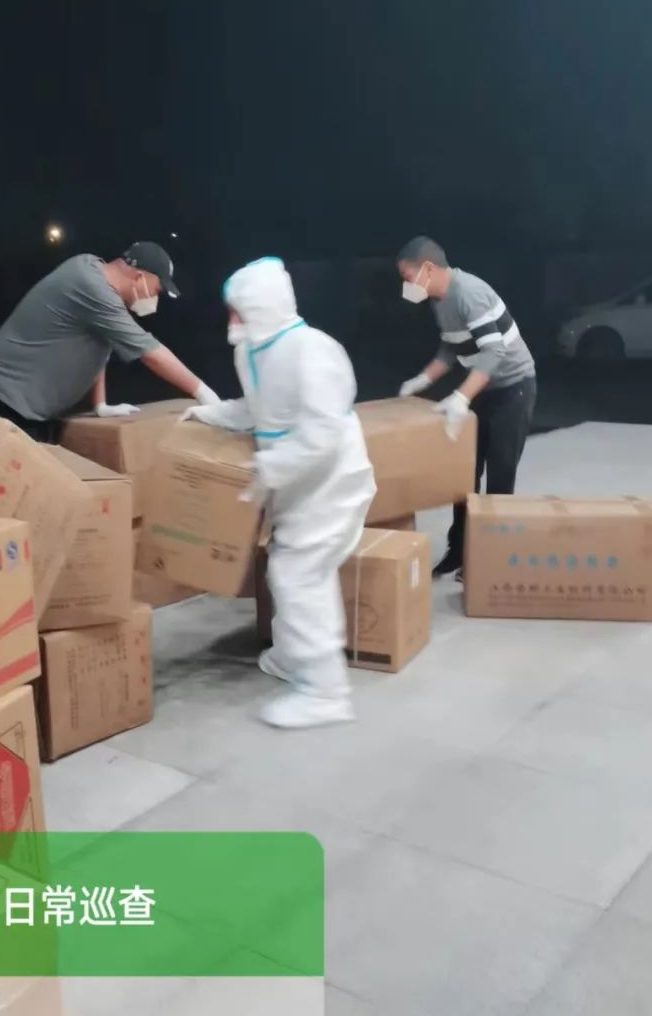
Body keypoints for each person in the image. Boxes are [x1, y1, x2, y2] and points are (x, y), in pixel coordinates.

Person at [184, 257, 375, 730]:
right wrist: (212, 414)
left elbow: (323, 430)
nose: (232, 321)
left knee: (299, 576)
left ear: (263, 307)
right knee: (290, 571)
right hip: (298, 488)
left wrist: (271, 467)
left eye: (239, 310)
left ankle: (325, 692)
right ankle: (295, 657)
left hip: (332, 484)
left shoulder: (313, 351)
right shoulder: (255, 351)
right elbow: (258, 409)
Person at [396, 236, 536, 579]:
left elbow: (494, 352)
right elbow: (450, 348)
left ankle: (490, 557)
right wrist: (423, 379)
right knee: (463, 476)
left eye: (408, 277)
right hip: (483, 385)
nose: (407, 286)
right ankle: (458, 551)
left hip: (513, 387)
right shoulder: (439, 300)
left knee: (500, 474)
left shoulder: (470, 293)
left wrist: (461, 397)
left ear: (428, 269)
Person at [0, 241, 219, 435]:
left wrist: (100, 405)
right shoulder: (93, 288)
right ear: (140, 277)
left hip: (23, 404)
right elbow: (150, 353)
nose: (155, 298)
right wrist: (204, 393)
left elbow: (99, 345)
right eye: (157, 290)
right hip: (2, 398)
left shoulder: (89, 266)